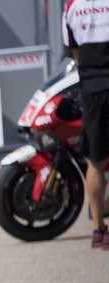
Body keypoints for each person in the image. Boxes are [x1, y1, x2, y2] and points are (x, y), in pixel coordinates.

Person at [63, 0, 109, 249]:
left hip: (91, 90)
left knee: (95, 162)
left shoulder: (71, 5)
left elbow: (75, 52)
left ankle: (98, 231)